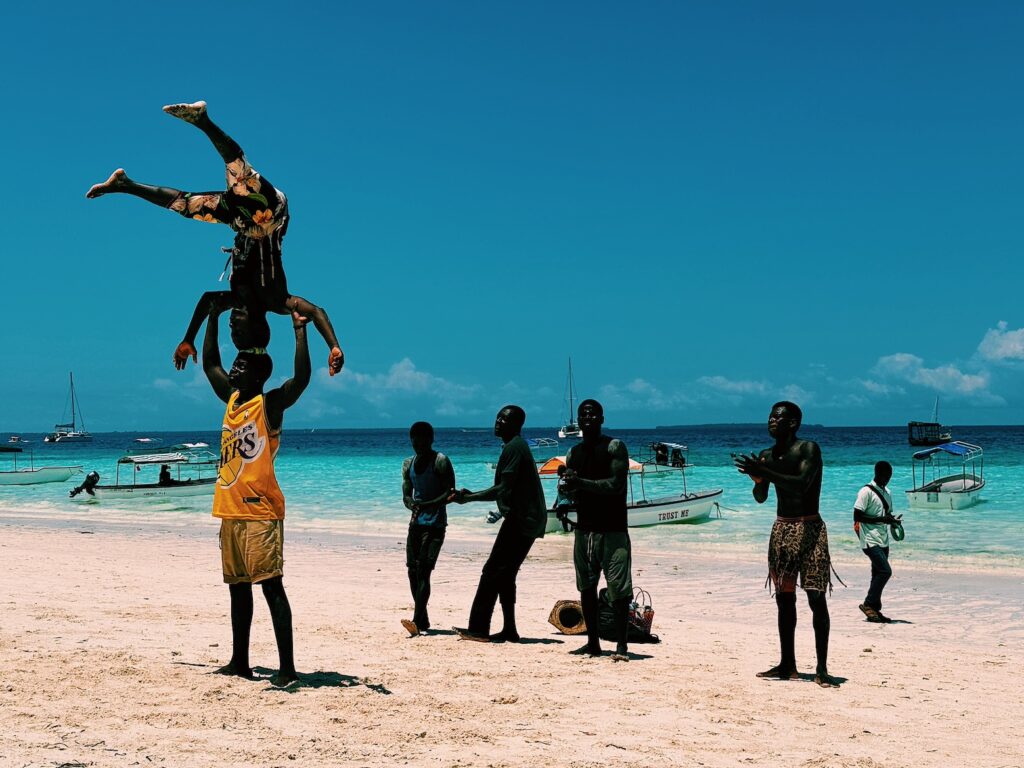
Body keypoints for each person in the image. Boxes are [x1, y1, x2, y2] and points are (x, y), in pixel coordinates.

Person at [85, 100, 343, 375]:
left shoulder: (236, 298)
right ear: (256, 325)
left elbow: (209, 300)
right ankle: (202, 120)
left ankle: (125, 185)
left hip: (241, 223)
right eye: (237, 324)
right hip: (271, 217)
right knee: (241, 179)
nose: (232, 321)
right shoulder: (276, 300)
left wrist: (188, 339)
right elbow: (316, 311)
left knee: (188, 205)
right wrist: (334, 346)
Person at [201, 299, 311, 687]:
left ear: (260, 374)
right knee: (237, 588)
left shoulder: (269, 405)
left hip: (261, 510)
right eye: (236, 364)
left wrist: (300, 332)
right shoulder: (231, 401)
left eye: (242, 366)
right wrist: (211, 319)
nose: (234, 368)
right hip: (230, 509)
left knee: (271, 586)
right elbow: (210, 363)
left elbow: (300, 381)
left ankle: (287, 668)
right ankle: (240, 661)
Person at [733, 401, 838, 688]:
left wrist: (765, 472)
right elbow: (761, 497)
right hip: (782, 529)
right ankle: (787, 664)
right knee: (784, 599)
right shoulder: (767, 455)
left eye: (778, 417)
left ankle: (822, 668)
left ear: (793, 423)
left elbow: (801, 483)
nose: (771, 421)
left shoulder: (808, 449)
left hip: (810, 527)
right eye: (770, 416)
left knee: (816, 598)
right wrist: (758, 478)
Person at [450, 406, 547, 643]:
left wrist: (468, 498)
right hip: (524, 518)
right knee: (506, 574)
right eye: (497, 417)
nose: (498, 422)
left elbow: (503, 488)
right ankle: (510, 630)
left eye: (504, 419)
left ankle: (479, 629)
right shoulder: (514, 446)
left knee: (492, 571)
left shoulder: (514, 447)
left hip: (522, 520)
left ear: (516, 425)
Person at [560, 399, 633, 661]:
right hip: (585, 528)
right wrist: (566, 488)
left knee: (619, 591)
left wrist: (579, 482)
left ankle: (622, 646)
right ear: (578, 421)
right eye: (583, 415)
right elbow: (572, 490)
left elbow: (615, 485)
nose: (587, 418)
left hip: (613, 528)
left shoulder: (614, 447)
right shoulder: (573, 453)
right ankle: (593, 643)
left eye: (592, 414)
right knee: (586, 588)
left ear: (602, 418)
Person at [401, 421, 456, 637]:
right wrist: (410, 503)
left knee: (424, 571)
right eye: (415, 442)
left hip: (435, 525)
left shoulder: (441, 461)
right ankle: (422, 616)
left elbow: (449, 493)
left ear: (431, 440)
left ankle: (416, 618)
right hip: (415, 524)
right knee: (412, 572)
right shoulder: (408, 464)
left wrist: (426, 505)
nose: (418, 446)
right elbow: (406, 494)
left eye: (423, 441)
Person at [853, 461, 902, 623]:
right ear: (877, 473)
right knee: (885, 571)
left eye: (890, 476)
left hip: (883, 540)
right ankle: (868, 604)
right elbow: (857, 516)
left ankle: (874, 610)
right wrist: (882, 519)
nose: (888, 479)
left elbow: (887, 515)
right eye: (885, 476)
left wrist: (893, 521)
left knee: (876, 574)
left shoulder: (887, 492)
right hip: (869, 540)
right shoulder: (865, 492)